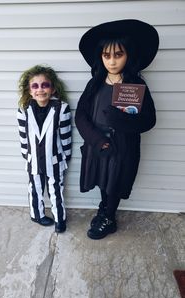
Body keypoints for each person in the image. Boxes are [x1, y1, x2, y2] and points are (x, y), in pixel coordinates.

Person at [75, 19, 159, 239]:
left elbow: (149, 120)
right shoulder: (94, 83)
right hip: (99, 144)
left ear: (128, 55)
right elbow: (80, 116)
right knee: (103, 180)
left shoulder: (136, 86)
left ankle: (109, 217)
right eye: (106, 55)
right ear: (100, 56)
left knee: (115, 182)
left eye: (118, 55)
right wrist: (96, 139)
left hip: (123, 148)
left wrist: (122, 120)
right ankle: (104, 208)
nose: (111, 62)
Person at [17, 65, 72, 233]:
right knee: (35, 189)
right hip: (33, 160)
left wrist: (65, 157)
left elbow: (66, 136)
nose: (40, 90)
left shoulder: (61, 108)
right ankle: (37, 214)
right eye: (35, 86)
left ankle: (59, 219)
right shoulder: (24, 110)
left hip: (54, 160)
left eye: (45, 85)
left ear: (53, 88)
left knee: (56, 190)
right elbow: (23, 137)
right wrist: (27, 156)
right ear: (29, 90)